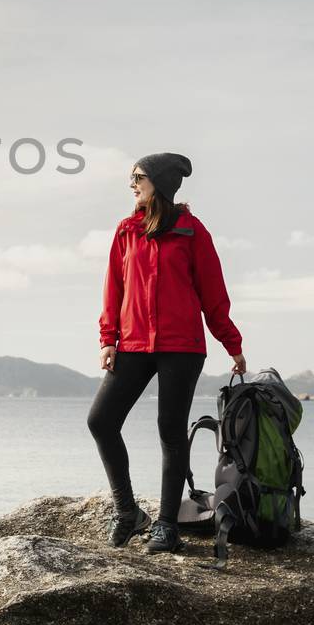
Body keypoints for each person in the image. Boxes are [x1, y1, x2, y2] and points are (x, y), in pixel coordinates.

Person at [85, 151, 247, 555]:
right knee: (101, 421)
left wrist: (232, 344)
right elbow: (114, 289)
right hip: (134, 344)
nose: (132, 184)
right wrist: (108, 338)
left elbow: (213, 294)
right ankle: (127, 512)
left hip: (182, 346)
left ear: (160, 181)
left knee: (171, 433)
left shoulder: (192, 232)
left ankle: (167, 526)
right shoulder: (127, 231)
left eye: (138, 176)